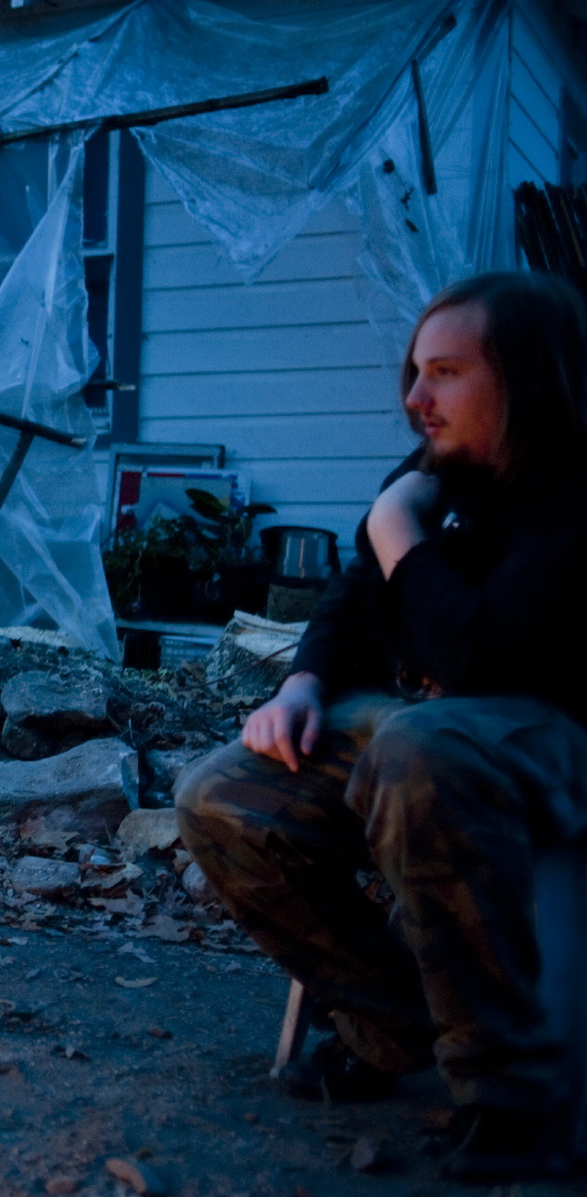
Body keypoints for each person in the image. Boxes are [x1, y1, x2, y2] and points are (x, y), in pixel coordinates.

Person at [176, 272, 587, 1183]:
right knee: (218, 792)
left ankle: (509, 1092)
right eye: (414, 371)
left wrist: (399, 529)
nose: (413, 398)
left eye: (443, 372)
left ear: (522, 379)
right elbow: (355, 591)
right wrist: (305, 683)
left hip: (549, 732)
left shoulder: (566, 489)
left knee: (417, 748)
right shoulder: (435, 474)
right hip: (425, 728)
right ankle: (391, 1020)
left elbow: (487, 659)